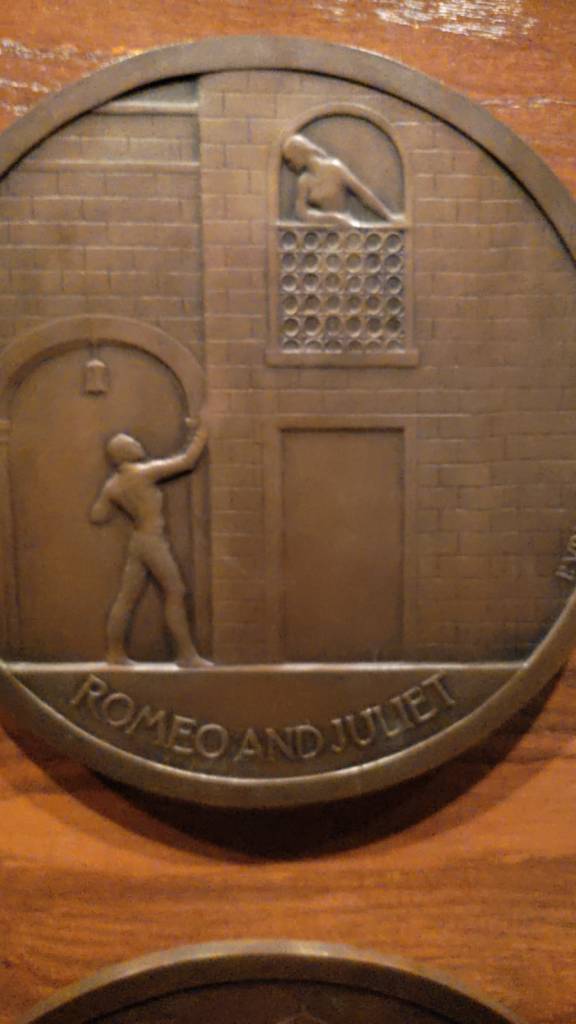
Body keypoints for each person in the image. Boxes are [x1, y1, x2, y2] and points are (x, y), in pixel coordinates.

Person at [90, 413, 209, 667]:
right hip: (153, 541)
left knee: (126, 598)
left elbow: (97, 516)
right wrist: (202, 433)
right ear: (124, 453)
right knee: (175, 591)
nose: (138, 445)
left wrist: (120, 501)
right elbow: (187, 461)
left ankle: (114, 653)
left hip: (138, 541)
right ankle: (186, 655)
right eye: (132, 443)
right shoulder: (144, 472)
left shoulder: (113, 485)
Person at [282, 133, 399, 225]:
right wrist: (334, 218)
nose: (290, 165)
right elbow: (301, 213)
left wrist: (388, 217)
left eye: (290, 160)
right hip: (318, 238)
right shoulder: (304, 181)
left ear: (298, 153)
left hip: (346, 232)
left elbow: (363, 194)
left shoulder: (335, 168)